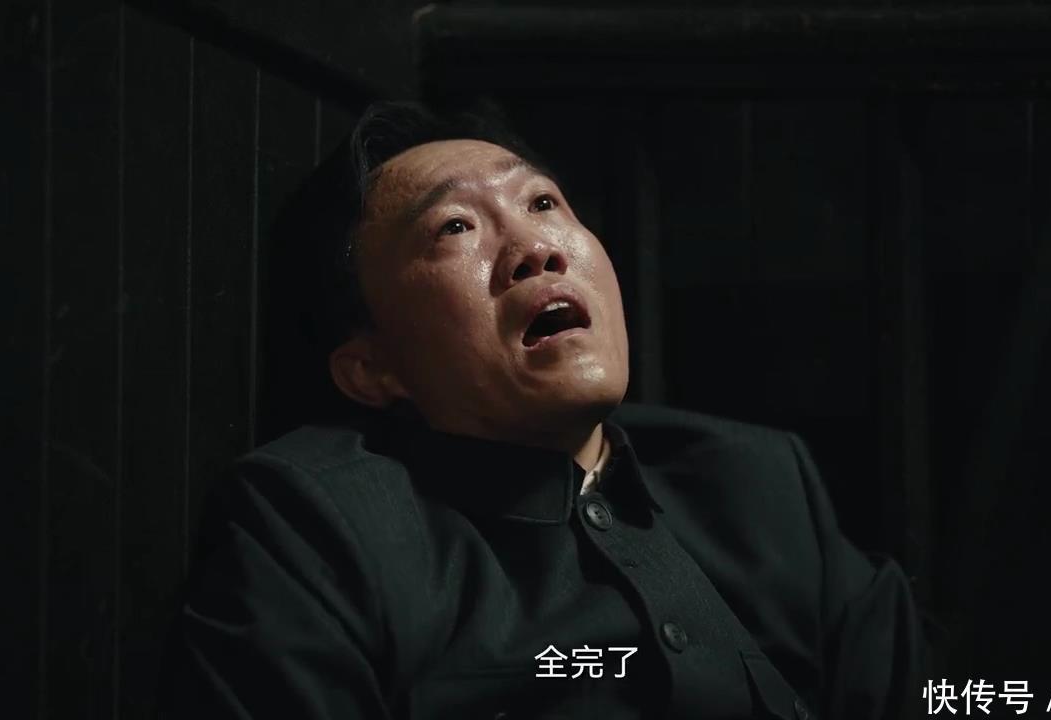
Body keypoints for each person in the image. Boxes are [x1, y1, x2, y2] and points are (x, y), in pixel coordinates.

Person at [161, 101, 924, 719]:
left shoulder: (757, 480)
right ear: (372, 369)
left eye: (543, 202)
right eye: (455, 227)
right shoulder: (312, 525)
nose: (536, 247)